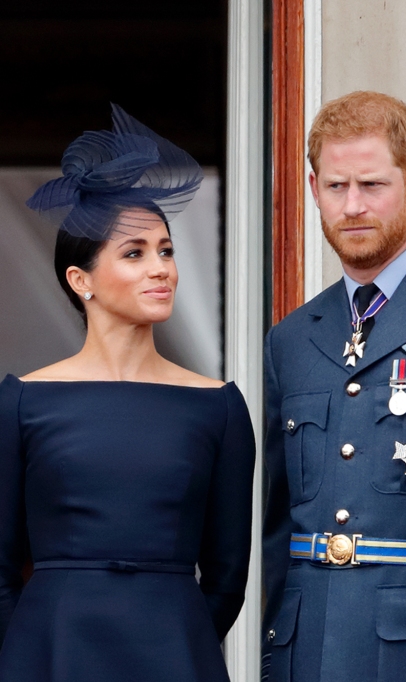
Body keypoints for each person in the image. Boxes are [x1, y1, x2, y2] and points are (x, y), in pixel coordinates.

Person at [0, 105, 256, 682]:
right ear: (81, 280)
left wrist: (175, 637)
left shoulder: (218, 405)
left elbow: (226, 576)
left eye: (166, 250)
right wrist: (30, 649)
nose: (161, 268)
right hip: (50, 654)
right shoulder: (21, 401)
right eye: (134, 253)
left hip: (174, 655)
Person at [261, 91, 406, 682]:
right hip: (305, 647)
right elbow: (277, 522)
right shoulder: (292, 338)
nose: (352, 206)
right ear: (313, 189)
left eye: (372, 185)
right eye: (336, 187)